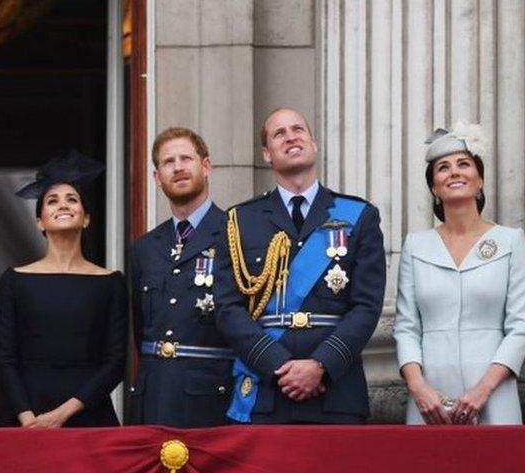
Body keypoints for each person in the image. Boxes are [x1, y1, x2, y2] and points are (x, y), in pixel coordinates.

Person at [213, 108, 385, 423]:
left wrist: (321, 365)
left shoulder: (359, 215)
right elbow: (227, 309)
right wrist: (278, 365)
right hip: (267, 390)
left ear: (313, 143)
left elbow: (367, 306)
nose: (291, 136)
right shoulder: (240, 221)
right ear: (267, 153)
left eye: (298, 129)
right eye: (279, 133)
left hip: (336, 390)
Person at [395, 123, 525, 425]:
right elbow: (406, 327)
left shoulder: (511, 240)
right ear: (434, 188)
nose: (454, 172)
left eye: (463, 164)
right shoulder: (416, 245)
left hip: (493, 393)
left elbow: (520, 325)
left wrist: (483, 389)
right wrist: (418, 387)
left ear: (479, 182)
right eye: (443, 168)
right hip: (430, 399)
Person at [0, 152, 128, 427]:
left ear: (87, 218)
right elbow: (5, 360)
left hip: (90, 415)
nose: (63, 205)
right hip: (27, 418)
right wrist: (28, 419)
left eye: (72, 199)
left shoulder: (111, 281)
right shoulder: (14, 280)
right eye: (52, 201)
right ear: (40, 221)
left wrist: (62, 415)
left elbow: (115, 363)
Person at [128, 127, 233, 427]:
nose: (178, 168)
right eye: (168, 162)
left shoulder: (235, 234)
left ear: (206, 165)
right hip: (154, 397)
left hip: (211, 399)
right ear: (157, 177)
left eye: (186, 158)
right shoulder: (145, 247)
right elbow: (141, 328)